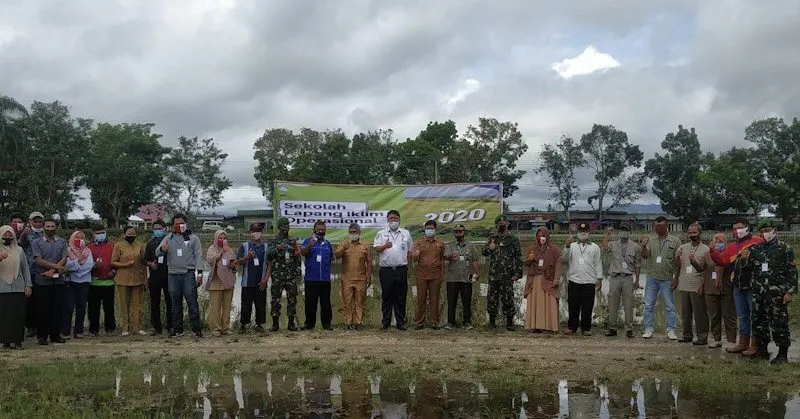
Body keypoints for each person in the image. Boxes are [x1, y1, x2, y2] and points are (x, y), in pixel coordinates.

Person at [742, 219, 796, 364]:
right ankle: (762, 350)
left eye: (768, 230)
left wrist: (790, 292)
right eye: (763, 231)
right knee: (759, 322)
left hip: (777, 293)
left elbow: (792, 272)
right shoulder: (755, 249)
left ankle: (782, 354)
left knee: (779, 322)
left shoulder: (785, 249)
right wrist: (744, 259)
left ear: (775, 231)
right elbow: (747, 269)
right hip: (759, 293)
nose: (766, 233)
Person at [710, 219, 763, 354]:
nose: (736, 231)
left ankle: (756, 345)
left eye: (739, 228)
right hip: (738, 286)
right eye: (734, 229)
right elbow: (723, 262)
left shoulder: (758, 241)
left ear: (747, 228)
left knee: (755, 315)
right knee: (742, 315)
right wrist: (713, 252)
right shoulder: (731, 247)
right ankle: (743, 343)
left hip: (754, 285)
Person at [156, 214, 205, 338]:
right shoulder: (168, 237)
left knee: (192, 302)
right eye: (177, 223)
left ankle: (196, 329)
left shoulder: (193, 238)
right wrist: (163, 248)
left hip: (188, 274)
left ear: (186, 223)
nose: (179, 225)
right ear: (173, 225)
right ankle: (178, 330)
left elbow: (198, 256)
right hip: (172, 275)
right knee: (175, 304)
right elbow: (157, 252)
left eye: (182, 223)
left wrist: (199, 274)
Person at [640, 216, 681, 340]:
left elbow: (677, 261)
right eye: (656, 226)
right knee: (648, 305)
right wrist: (643, 246)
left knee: (670, 306)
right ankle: (648, 329)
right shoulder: (651, 240)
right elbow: (645, 256)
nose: (658, 228)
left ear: (666, 226)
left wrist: (676, 278)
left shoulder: (675, 241)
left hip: (667, 278)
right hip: (652, 277)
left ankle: (671, 330)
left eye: (661, 226)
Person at [482, 214, 523, 331]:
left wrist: (518, 273)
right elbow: (484, 252)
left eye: (504, 223)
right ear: (496, 225)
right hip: (494, 274)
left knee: (508, 298)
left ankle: (509, 323)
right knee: (492, 298)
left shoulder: (513, 239)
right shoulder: (492, 238)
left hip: (508, 275)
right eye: (499, 223)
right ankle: (492, 322)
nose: (502, 225)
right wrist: (489, 248)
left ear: (507, 224)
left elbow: (518, 257)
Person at [374, 210, 413, 331]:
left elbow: (410, 252)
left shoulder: (406, 233)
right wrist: (385, 246)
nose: (393, 221)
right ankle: (385, 322)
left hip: (401, 269)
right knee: (387, 296)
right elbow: (377, 250)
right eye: (390, 218)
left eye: (395, 218)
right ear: (387, 220)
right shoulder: (381, 233)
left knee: (401, 297)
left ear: (399, 219)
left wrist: (409, 268)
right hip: (386, 270)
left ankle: (400, 323)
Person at [31, 218, 68, 345]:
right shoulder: (36, 242)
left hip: (58, 280)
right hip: (42, 279)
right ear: (43, 227)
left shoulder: (62, 242)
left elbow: (64, 258)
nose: (50, 229)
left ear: (55, 227)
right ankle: (42, 336)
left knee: (57, 308)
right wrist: (56, 267)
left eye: (52, 226)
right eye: (48, 226)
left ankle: (55, 335)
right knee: (42, 309)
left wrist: (52, 271)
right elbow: (38, 260)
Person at [562, 222, 603, 336]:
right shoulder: (572, 245)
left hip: (589, 281)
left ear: (589, 233)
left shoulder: (594, 247)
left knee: (587, 306)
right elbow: (564, 259)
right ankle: (572, 327)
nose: (582, 234)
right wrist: (566, 246)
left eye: (585, 232)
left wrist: (599, 279)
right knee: (573, 306)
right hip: (574, 280)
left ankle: (586, 328)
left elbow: (598, 263)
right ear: (577, 233)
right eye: (580, 232)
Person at [675, 223, 710, 346]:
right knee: (685, 314)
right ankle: (687, 335)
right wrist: (677, 258)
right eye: (690, 233)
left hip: (697, 285)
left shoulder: (705, 249)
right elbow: (677, 266)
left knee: (700, 313)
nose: (692, 235)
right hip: (684, 284)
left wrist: (694, 261)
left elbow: (705, 269)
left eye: (694, 233)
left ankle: (702, 337)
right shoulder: (683, 247)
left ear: (699, 233)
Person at [602, 225, 641, 338]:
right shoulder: (613, 244)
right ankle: (612, 328)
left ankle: (629, 329)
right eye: (622, 230)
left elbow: (638, 265)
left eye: (626, 230)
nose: (624, 232)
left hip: (628, 277)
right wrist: (607, 234)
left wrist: (637, 280)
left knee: (628, 305)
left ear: (630, 232)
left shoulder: (635, 247)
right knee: (613, 304)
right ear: (619, 232)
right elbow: (604, 248)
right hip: (614, 277)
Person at [523, 226, 562, 333]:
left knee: (548, 302)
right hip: (534, 281)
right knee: (536, 303)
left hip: (548, 280)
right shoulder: (532, 249)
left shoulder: (554, 249)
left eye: (543, 235)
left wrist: (557, 278)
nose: (541, 238)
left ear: (547, 236)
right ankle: (535, 325)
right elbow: (525, 263)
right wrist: (529, 259)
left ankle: (548, 326)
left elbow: (558, 264)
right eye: (539, 236)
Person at [335, 223, 373, 330]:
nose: (353, 234)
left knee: (360, 302)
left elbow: (369, 262)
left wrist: (369, 276)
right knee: (347, 302)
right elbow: (337, 255)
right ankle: (348, 323)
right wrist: (341, 250)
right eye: (351, 232)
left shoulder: (365, 245)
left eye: (355, 232)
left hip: (361, 279)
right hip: (346, 279)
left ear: (359, 233)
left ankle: (359, 323)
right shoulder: (344, 244)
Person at [0, 225, 32, 349]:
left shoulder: (19, 250)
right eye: (5, 235)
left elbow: (25, 269)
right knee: (4, 316)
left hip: (18, 287)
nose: (8, 237)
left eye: (10, 235)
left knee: (18, 315)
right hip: (2, 288)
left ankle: (18, 341)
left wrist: (28, 285)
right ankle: (6, 341)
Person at [266, 217, 301, 332]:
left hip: (291, 275)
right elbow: (269, 256)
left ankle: (291, 323)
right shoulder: (273, 241)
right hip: (277, 276)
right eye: (283, 227)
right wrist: (277, 249)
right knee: (275, 300)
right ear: (279, 228)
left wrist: (298, 273)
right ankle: (275, 324)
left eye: (287, 226)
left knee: (292, 300)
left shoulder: (293, 240)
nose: (286, 229)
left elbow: (297, 257)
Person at [704, 233, 738, 349]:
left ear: (725, 243)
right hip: (712, 289)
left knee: (729, 316)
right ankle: (716, 339)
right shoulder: (708, 254)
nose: (718, 244)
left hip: (727, 288)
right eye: (716, 241)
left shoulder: (730, 254)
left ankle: (731, 341)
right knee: (714, 316)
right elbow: (704, 269)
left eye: (720, 242)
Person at [443, 224, 479, 330]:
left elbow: (475, 260)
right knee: (451, 301)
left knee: (466, 301)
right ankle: (450, 323)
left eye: (460, 231)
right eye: (456, 231)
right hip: (452, 278)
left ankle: (467, 322)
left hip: (466, 278)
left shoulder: (471, 246)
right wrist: (450, 256)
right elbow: (445, 257)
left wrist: (477, 273)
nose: (458, 233)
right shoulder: (449, 245)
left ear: (464, 232)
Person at [112, 226, 146, 337]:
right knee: (124, 305)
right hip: (123, 279)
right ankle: (125, 328)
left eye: (133, 234)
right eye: (129, 234)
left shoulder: (140, 246)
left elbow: (143, 263)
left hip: (137, 279)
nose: (131, 236)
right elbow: (113, 262)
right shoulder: (118, 245)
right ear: (124, 234)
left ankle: (137, 327)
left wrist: (145, 278)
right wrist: (125, 265)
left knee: (137, 306)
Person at [301, 221, 335, 331]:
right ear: (314, 230)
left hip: (325, 279)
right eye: (319, 229)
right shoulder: (308, 241)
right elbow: (303, 253)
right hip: (311, 278)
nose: (321, 231)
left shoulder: (327, 244)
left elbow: (331, 258)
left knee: (326, 303)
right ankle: (309, 324)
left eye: (323, 230)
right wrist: (310, 245)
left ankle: (327, 324)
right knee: (310, 303)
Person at [412, 220, 446, 330]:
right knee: (421, 299)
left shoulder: (440, 243)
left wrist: (442, 275)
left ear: (435, 229)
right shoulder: (419, 242)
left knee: (434, 299)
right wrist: (416, 255)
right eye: (427, 228)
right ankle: (419, 323)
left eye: (431, 228)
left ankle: (434, 322)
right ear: (424, 229)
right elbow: (414, 259)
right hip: (422, 275)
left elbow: (442, 259)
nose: (429, 230)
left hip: (435, 275)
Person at [236, 223, 269, 333]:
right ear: (250, 232)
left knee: (261, 305)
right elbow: (238, 262)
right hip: (247, 282)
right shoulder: (244, 246)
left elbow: (270, 265)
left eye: (258, 230)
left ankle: (259, 325)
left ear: (261, 232)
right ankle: (243, 325)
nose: (256, 233)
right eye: (254, 230)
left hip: (261, 281)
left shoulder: (266, 247)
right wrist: (248, 257)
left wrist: (265, 280)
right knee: (246, 305)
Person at [62, 230, 94, 339]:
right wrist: (78, 261)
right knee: (68, 307)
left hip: (84, 282)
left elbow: (89, 265)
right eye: (77, 238)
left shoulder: (87, 251)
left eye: (81, 238)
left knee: (81, 307)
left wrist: (76, 266)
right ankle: (65, 331)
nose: (79, 240)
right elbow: (66, 265)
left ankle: (78, 331)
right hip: (70, 282)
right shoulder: (67, 250)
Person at [205, 230, 236, 336]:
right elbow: (210, 260)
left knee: (227, 307)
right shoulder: (211, 249)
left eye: (224, 238)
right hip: (215, 282)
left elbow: (233, 263)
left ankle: (225, 328)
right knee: (215, 308)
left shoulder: (229, 249)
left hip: (227, 282)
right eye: (220, 237)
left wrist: (233, 264)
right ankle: (216, 329)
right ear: (216, 238)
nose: (222, 240)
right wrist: (221, 252)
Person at [18, 211, 44, 338]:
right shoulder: (26, 234)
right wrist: (23, 235)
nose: (38, 224)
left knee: (41, 301)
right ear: (30, 221)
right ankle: (30, 326)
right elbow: (19, 247)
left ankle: (41, 326)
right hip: (29, 271)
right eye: (35, 221)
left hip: (43, 272)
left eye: (40, 221)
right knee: (29, 301)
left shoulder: (47, 233)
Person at [87, 225, 117, 336]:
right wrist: (93, 267)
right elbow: (84, 264)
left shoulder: (113, 246)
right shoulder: (88, 247)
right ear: (93, 234)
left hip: (109, 282)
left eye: (102, 232)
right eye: (98, 233)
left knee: (109, 308)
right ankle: (93, 330)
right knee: (93, 308)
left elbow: (117, 260)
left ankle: (110, 329)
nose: (101, 235)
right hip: (93, 283)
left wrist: (114, 271)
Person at [144, 220, 172, 336]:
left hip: (169, 275)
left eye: (159, 228)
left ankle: (171, 326)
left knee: (170, 302)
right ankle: (157, 327)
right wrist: (150, 264)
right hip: (155, 276)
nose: (157, 231)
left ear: (165, 229)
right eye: (155, 229)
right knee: (154, 303)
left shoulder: (171, 241)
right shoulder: (150, 243)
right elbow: (144, 259)